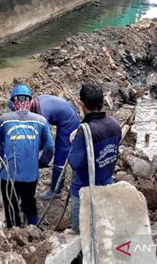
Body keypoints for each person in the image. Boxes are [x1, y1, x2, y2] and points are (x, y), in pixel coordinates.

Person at [0, 84, 54, 228]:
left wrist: (3, 159)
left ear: (13, 102)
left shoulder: (4, 120)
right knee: (29, 201)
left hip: (8, 175)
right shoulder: (41, 121)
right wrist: (41, 162)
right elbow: (50, 147)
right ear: (30, 101)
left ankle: (14, 232)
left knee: (10, 204)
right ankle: (34, 229)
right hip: (31, 175)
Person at [68, 83, 122, 233]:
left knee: (81, 235)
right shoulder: (115, 124)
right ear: (102, 103)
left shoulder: (85, 131)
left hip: (85, 191)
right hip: (107, 185)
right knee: (102, 230)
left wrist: (73, 143)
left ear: (82, 104)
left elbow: (75, 163)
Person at [8, 94, 81, 200]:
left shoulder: (41, 114)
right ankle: (55, 181)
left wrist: (41, 162)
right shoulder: (34, 104)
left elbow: (49, 147)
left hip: (70, 121)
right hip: (66, 112)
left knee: (61, 156)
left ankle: (56, 190)